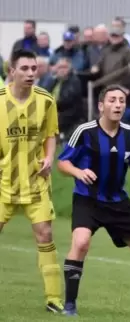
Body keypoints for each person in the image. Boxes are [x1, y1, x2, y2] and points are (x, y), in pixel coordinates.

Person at [57, 84, 130, 316]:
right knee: (80, 244)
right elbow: (62, 163)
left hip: (118, 202)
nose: (118, 104)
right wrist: (79, 173)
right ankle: (69, 305)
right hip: (87, 200)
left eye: (121, 100)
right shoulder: (85, 131)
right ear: (101, 106)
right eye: (112, 100)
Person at [0, 49, 63, 313]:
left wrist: (49, 157)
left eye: (34, 68)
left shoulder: (46, 100)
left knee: (45, 234)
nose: (30, 73)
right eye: (24, 68)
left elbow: (51, 134)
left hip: (36, 182)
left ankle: (54, 299)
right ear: (11, 71)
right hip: (3, 184)